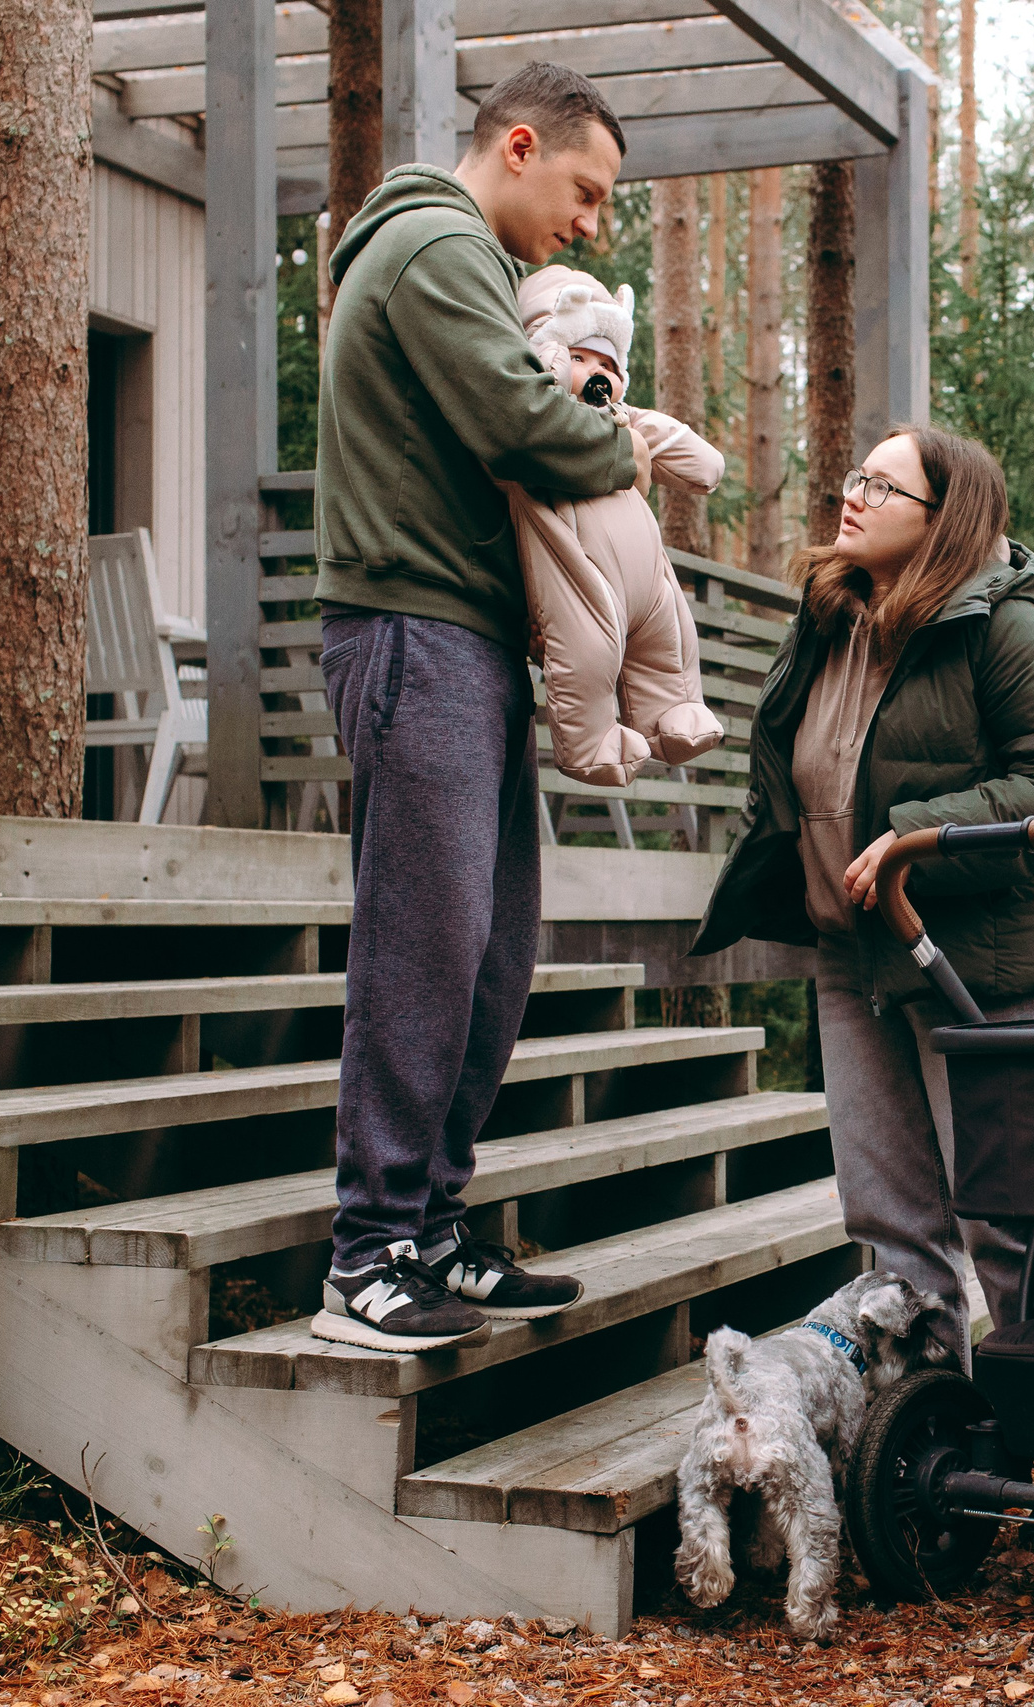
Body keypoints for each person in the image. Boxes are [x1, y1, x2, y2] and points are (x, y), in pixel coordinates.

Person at [308, 62, 648, 1353]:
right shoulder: (433, 249)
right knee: (423, 944)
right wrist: (627, 443)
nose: (589, 223)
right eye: (583, 189)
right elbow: (529, 426)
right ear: (519, 146)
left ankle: (433, 1224)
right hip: (412, 631)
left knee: (491, 953)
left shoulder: (465, 265)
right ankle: (369, 1248)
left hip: (469, 639)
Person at [691, 426, 1034, 1364]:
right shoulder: (831, 621)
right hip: (854, 956)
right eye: (854, 477)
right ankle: (938, 1452)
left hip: (978, 962)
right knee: (892, 1228)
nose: (854, 495)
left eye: (882, 485)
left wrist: (917, 837)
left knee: (1006, 1218)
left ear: (942, 518)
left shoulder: (1003, 626)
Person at [509, 264, 725, 786]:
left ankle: (674, 714)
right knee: (584, 657)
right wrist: (549, 369)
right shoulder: (534, 426)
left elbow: (703, 466)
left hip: (646, 580)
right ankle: (592, 745)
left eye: (607, 361)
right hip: (582, 584)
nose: (594, 371)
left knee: (672, 636)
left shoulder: (626, 420)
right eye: (578, 356)